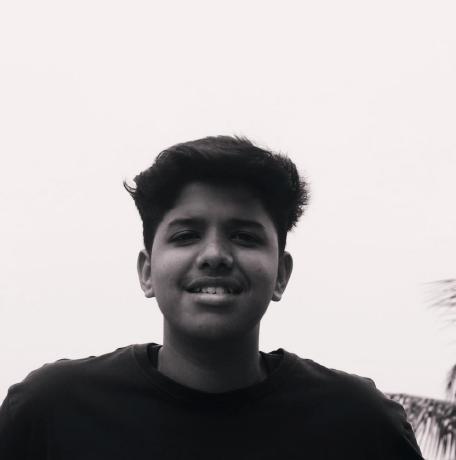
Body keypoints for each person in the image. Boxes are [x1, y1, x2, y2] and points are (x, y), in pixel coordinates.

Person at [0, 136, 424, 459]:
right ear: (147, 272)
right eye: (186, 235)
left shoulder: (360, 424)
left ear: (281, 274)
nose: (215, 255)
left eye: (244, 236)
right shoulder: (51, 411)